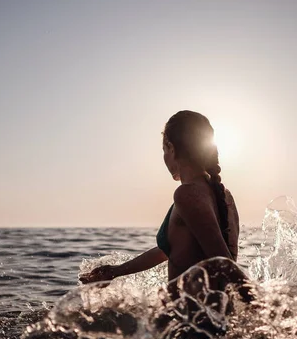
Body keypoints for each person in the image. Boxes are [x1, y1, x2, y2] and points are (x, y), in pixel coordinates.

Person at [79, 110, 242, 286]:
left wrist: (259, 304)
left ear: (171, 148)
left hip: (187, 313)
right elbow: (170, 250)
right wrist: (115, 271)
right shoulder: (224, 196)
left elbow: (224, 263)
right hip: (207, 311)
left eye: (164, 150)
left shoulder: (187, 195)